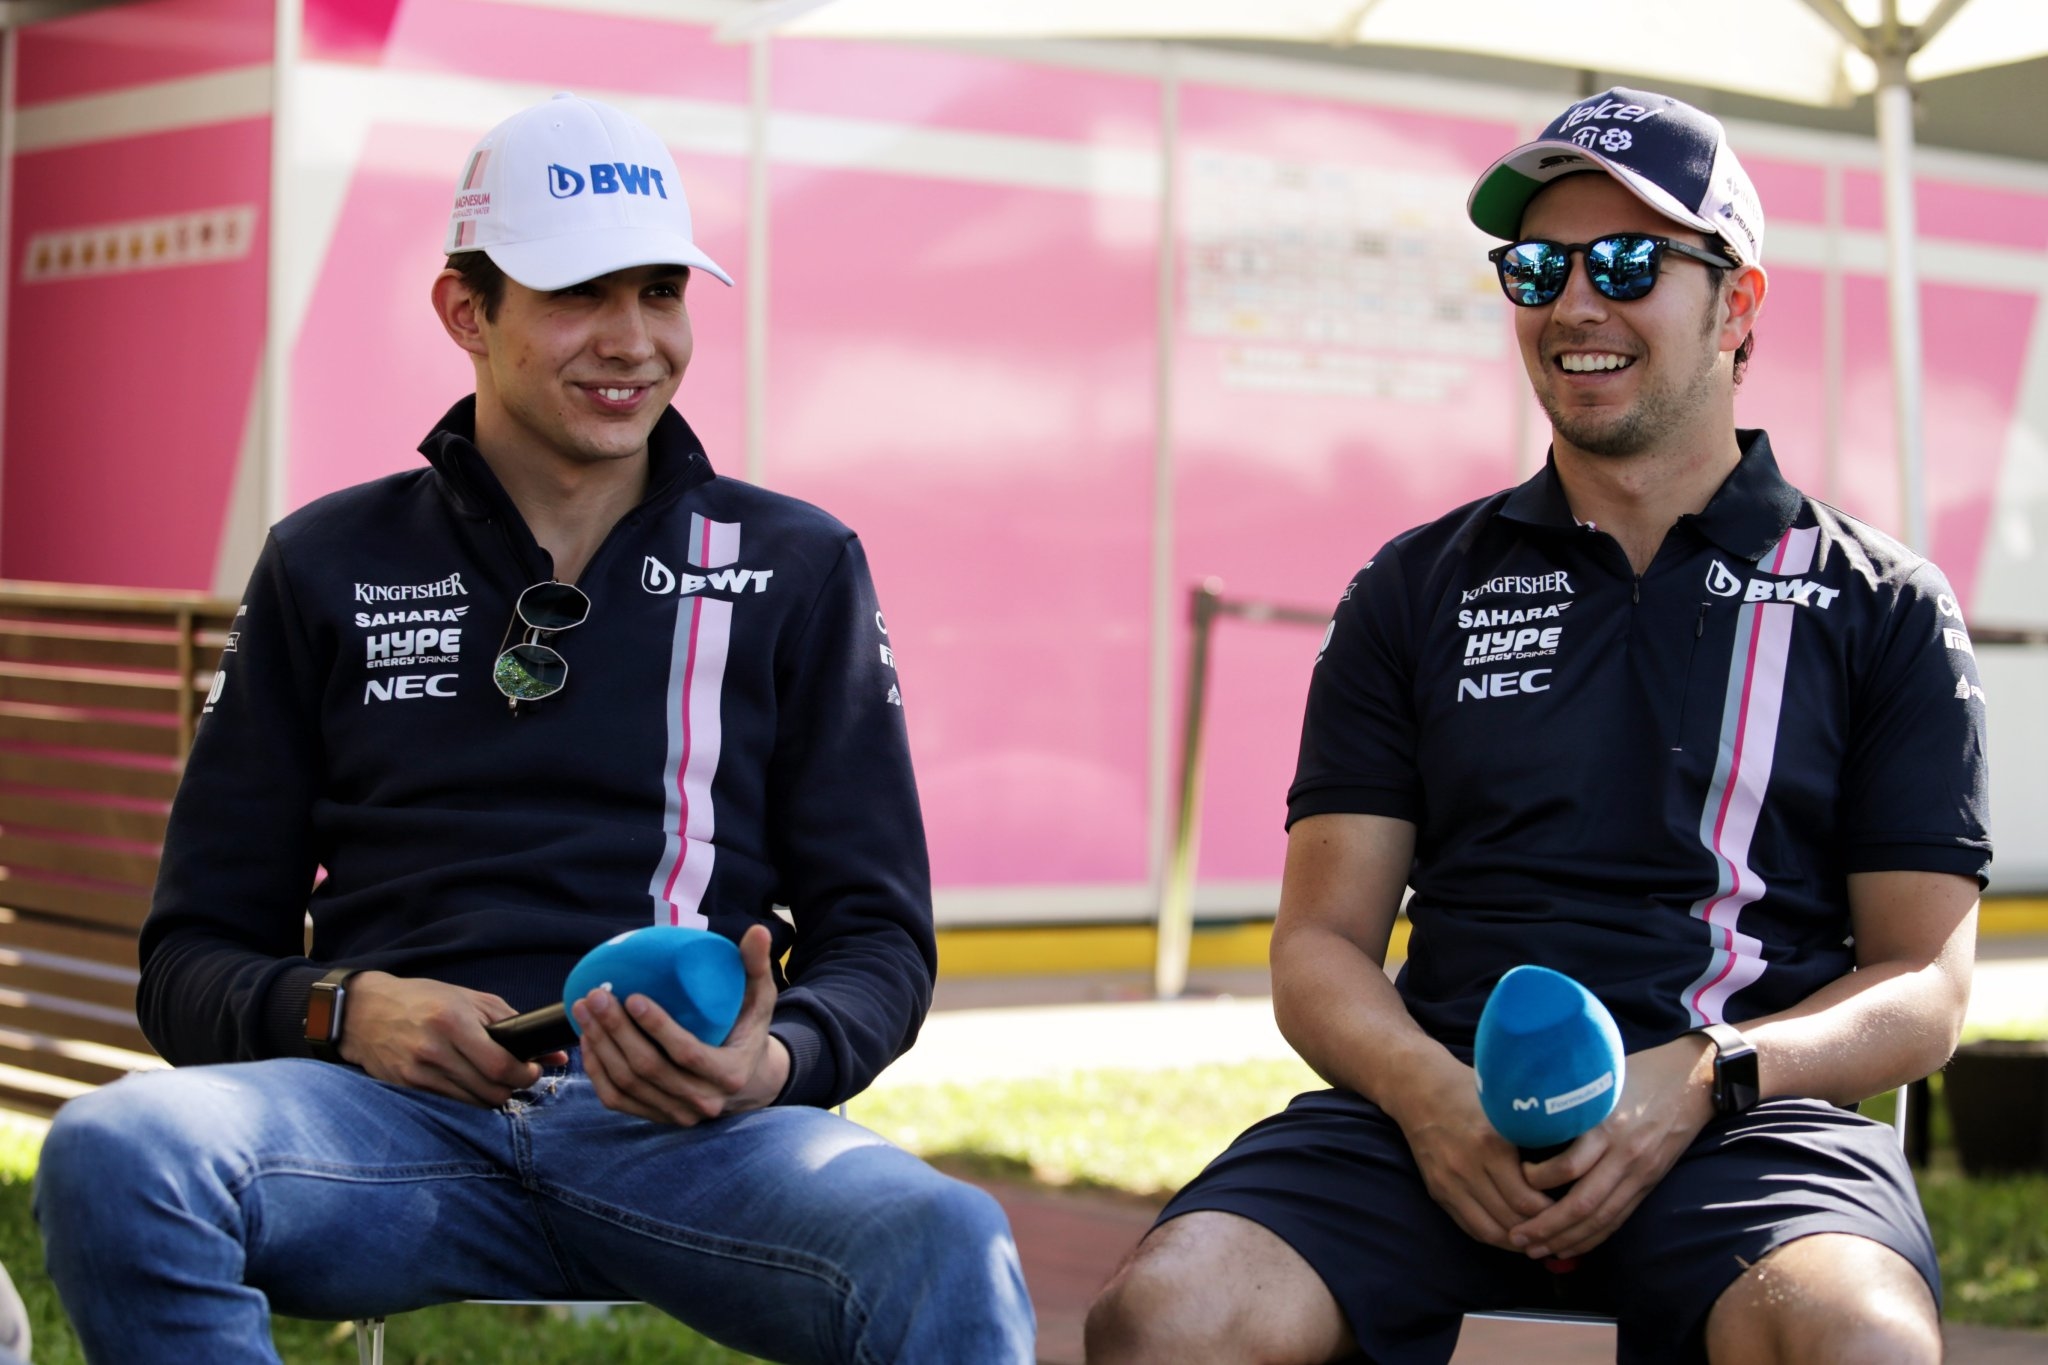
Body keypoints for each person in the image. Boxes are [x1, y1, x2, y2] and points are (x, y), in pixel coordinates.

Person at [33, 93, 1035, 1365]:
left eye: (661, 291)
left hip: (701, 1142)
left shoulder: (796, 563)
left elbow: (880, 938)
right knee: (120, 1152)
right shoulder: (324, 559)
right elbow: (189, 964)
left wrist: (769, 1068)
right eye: (576, 294)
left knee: (949, 1239)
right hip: (380, 1133)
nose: (631, 342)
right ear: (466, 311)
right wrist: (350, 1015)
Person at [1087, 87, 1988, 1365]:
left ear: (1736, 306)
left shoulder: (1873, 602)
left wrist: (1704, 1077)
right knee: (1163, 1318)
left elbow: (1923, 988)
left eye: (1626, 262)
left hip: (1741, 1121)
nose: (1573, 305)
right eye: (1534, 267)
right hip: (1433, 1113)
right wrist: (1431, 1097)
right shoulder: (1411, 588)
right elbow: (1318, 948)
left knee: (1850, 1343)